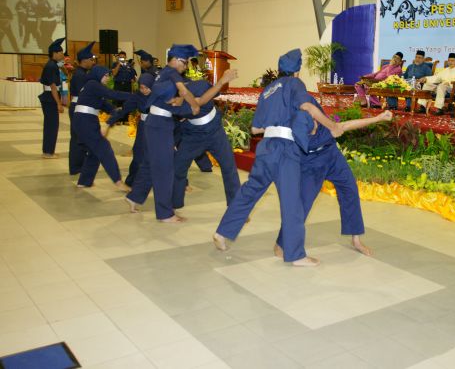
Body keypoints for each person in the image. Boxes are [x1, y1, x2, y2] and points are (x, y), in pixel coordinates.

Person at [212, 48, 344, 267]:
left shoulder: (268, 90)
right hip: (285, 149)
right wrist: (332, 126)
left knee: (250, 190)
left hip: (266, 147)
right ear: (297, 71)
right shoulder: (294, 84)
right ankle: (295, 255)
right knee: (292, 201)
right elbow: (308, 106)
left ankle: (222, 232)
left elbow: (255, 129)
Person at [273, 105, 394, 259]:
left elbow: (346, 125)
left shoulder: (322, 123)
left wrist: (378, 118)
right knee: (302, 204)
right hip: (311, 165)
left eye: (314, 120)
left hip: (332, 157)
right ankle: (281, 243)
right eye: (311, 124)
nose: (315, 123)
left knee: (350, 189)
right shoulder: (297, 135)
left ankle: (356, 240)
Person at [127, 44, 201, 222]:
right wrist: (195, 106)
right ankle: (165, 213)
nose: (185, 66)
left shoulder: (163, 74)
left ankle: (135, 196)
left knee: (150, 163)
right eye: (184, 62)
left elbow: (168, 100)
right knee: (164, 168)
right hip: (159, 124)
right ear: (175, 60)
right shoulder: (172, 73)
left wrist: (178, 102)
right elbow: (184, 91)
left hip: (156, 122)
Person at [172, 73, 240, 212]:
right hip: (192, 135)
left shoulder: (201, 85)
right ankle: (174, 205)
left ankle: (236, 209)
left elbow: (201, 100)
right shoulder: (173, 96)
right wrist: (221, 81)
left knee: (229, 167)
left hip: (215, 131)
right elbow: (197, 102)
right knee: (178, 167)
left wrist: (221, 82)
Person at [73, 66, 132, 190]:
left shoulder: (95, 90)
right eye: (105, 75)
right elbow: (113, 94)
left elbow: (107, 106)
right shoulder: (93, 84)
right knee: (104, 148)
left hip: (85, 121)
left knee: (94, 152)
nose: (108, 78)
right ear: (98, 74)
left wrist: (116, 112)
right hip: (85, 121)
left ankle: (84, 181)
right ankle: (118, 181)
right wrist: (133, 96)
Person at [107, 72, 154, 187]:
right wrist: (110, 122)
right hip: (144, 127)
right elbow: (124, 110)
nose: (144, 90)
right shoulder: (137, 96)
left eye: (147, 88)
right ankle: (131, 181)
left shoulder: (159, 94)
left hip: (158, 127)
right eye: (141, 87)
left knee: (160, 155)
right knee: (139, 154)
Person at [68, 41, 96, 175]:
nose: (93, 62)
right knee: (77, 139)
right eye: (91, 59)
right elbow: (83, 94)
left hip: (78, 106)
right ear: (84, 60)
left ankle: (79, 165)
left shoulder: (82, 73)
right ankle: (76, 167)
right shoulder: (80, 75)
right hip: (78, 107)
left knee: (80, 137)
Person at [38, 37, 66, 159]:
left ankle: (48, 151)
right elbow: (53, 86)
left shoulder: (52, 64)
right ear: (55, 53)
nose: (62, 55)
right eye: (61, 52)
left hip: (48, 97)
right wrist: (59, 103)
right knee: (52, 126)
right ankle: (48, 152)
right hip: (50, 99)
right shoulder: (51, 66)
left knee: (50, 125)